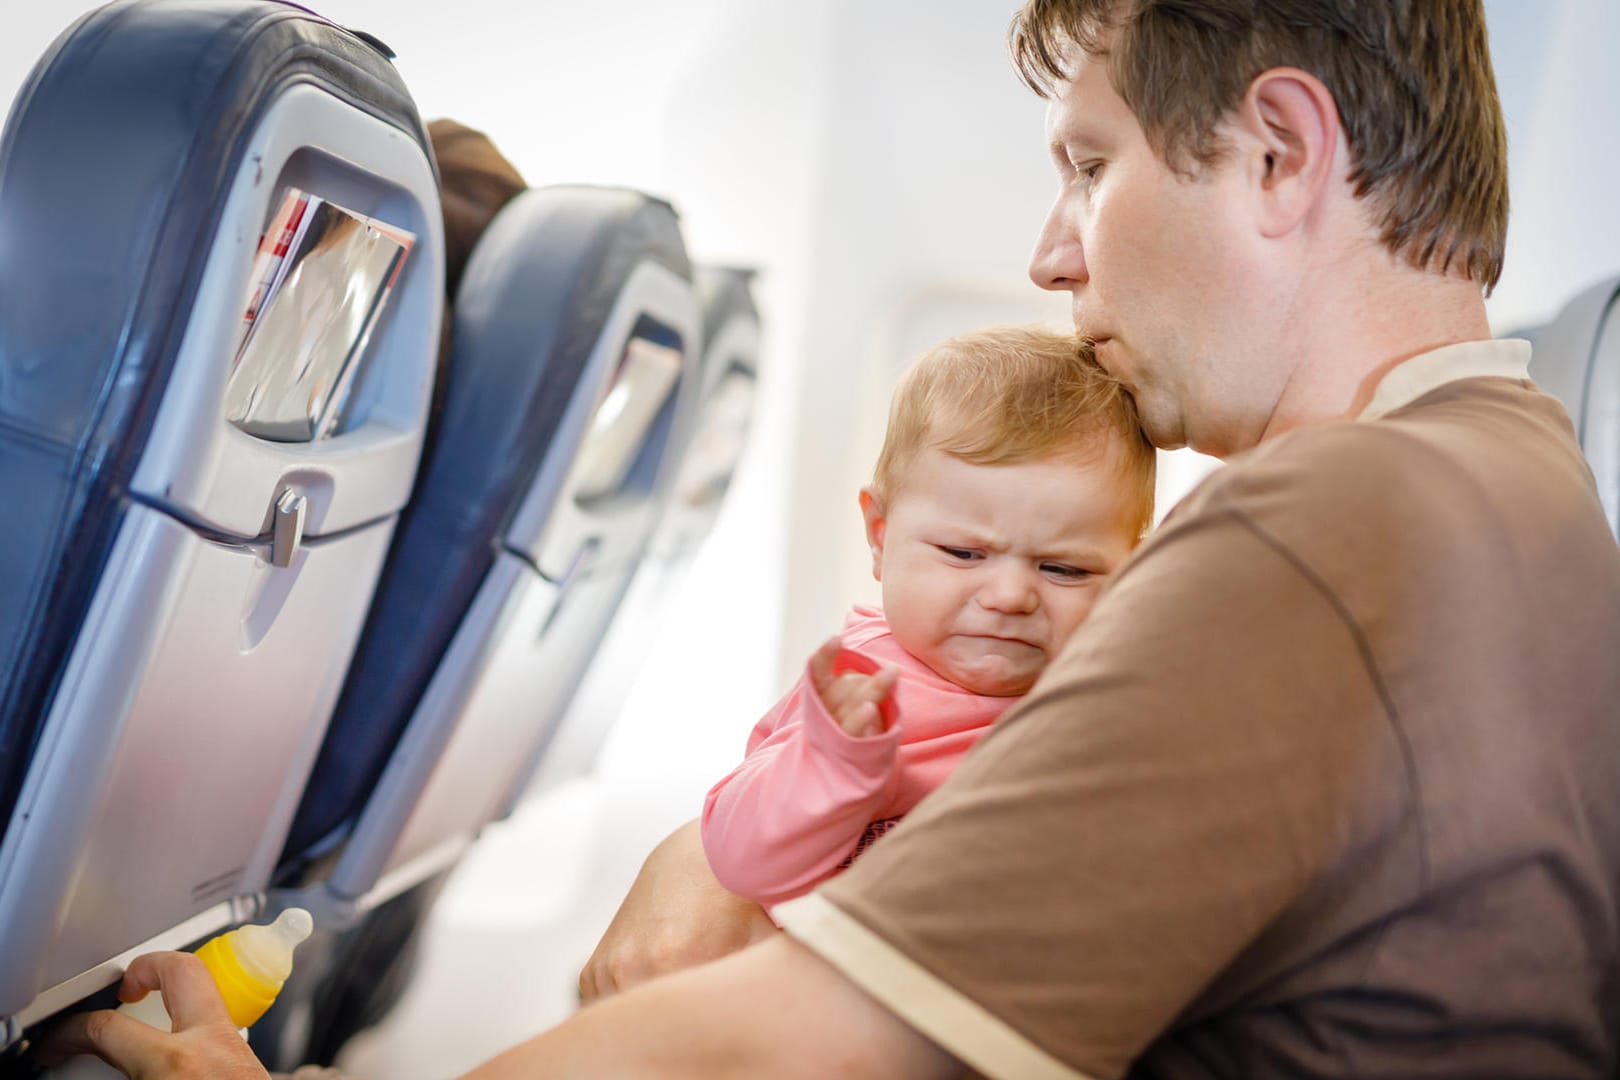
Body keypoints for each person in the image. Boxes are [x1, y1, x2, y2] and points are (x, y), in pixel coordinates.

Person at [41, 1, 1620, 1077]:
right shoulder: (1521, 479)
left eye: (1091, 165)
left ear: (1281, 154)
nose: (1052, 248)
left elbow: (786, 1044)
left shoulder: (1326, 530)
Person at [702, 327, 1155, 912]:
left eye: (1065, 569)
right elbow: (741, 863)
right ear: (880, 537)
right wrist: (835, 760)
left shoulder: (1114, 695)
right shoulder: (861, 697)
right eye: (964, 554)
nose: (1010, 596)